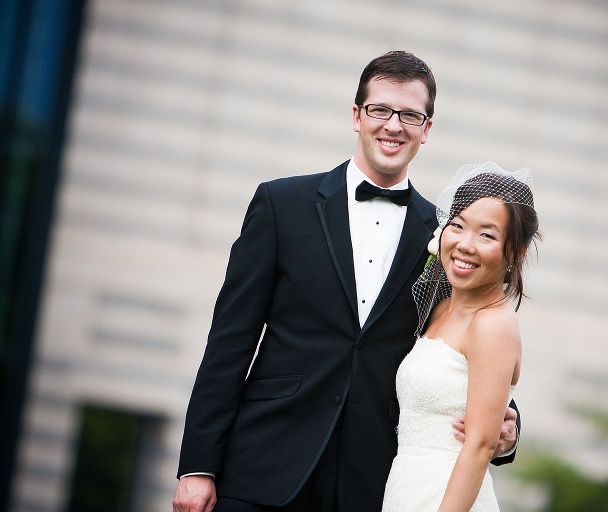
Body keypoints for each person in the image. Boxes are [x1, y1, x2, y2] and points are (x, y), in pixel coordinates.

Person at [172, 51, 520, 512]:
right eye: (380, 109)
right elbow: (228, 344)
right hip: (262, 467)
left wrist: (510, 422)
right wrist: (198, 466)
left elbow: (472, 331)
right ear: (357, 116)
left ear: (426, 129)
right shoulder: (282, 204)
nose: (394, 126)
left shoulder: (444, 235)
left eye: (410, 115)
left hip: (371, 481)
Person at [382, 162, 540, 512]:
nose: (465, 244)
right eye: (458, 226)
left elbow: (481, 446)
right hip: (406, 487)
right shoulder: (439, 308)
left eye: (487, 235)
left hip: (448, 497)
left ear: (516, 252)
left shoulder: (493, 325)